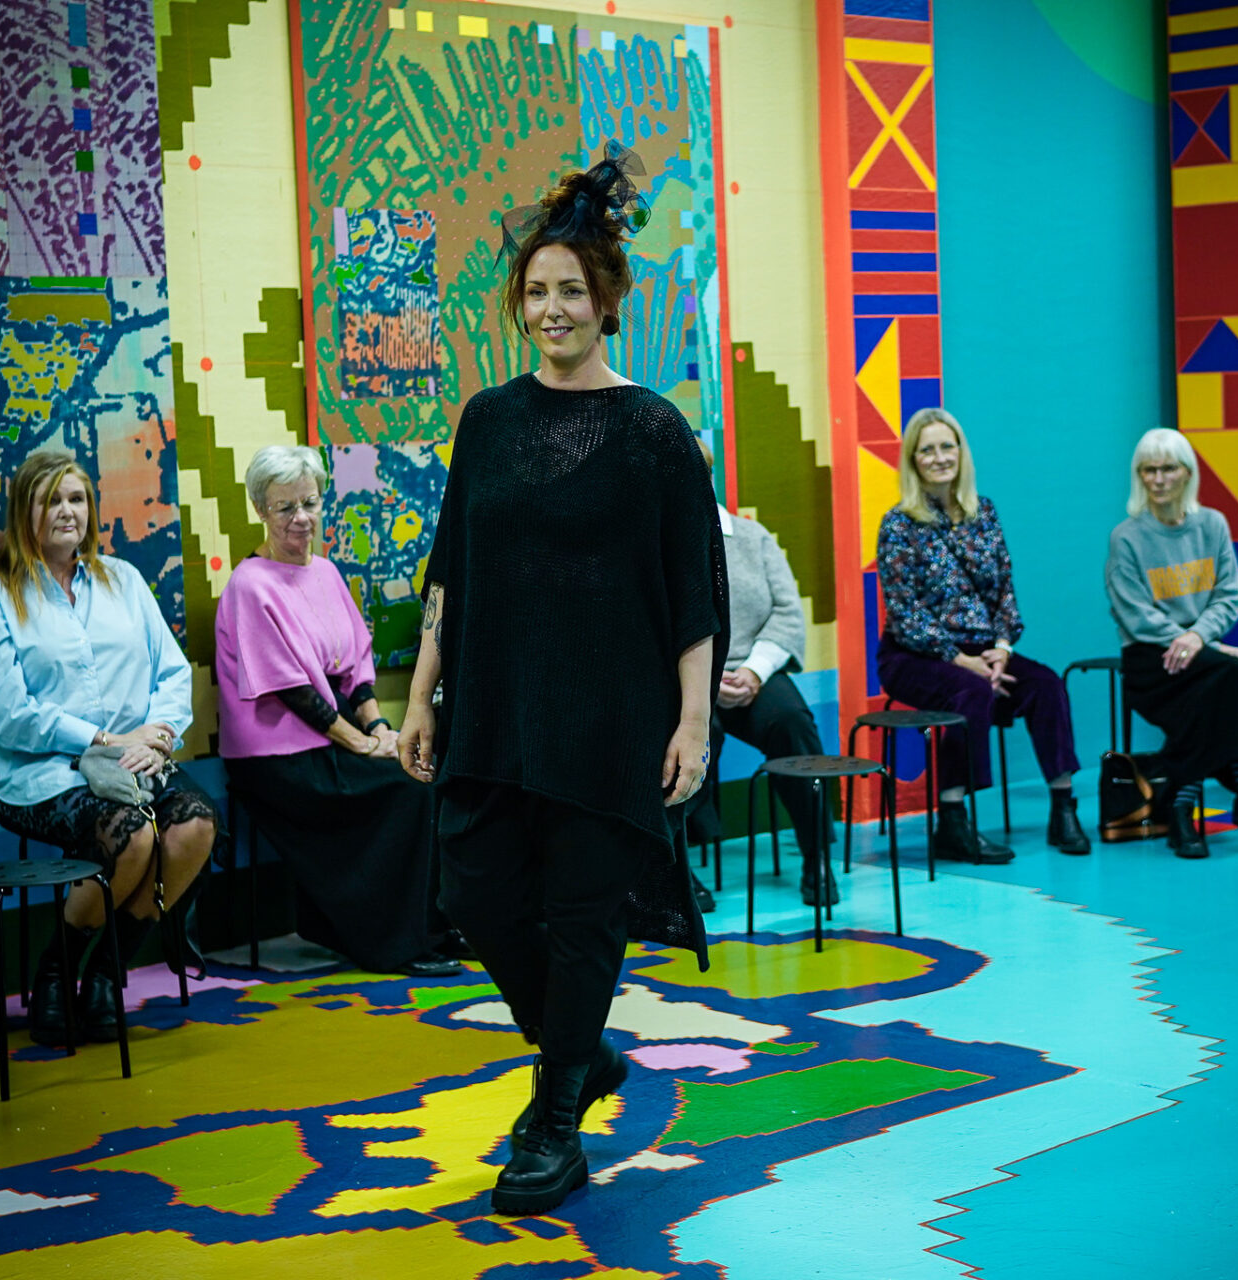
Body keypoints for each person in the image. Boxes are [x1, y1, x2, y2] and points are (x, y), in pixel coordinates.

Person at [397, 146, 727, 1218]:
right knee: (473, 888)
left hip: (610, 717)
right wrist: (418, 692)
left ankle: (553, 1119)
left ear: (606, 300)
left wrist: (692, 720)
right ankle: (579, 1048)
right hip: (493, 706)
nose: (551, 309)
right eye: (536, 292)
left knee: (585, 914)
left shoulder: (653, 432)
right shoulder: (487, 419)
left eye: (570, 291)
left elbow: (694, 594)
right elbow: (453, 563)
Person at [0, 450, 218, 1047]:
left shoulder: (121, 578)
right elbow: (4, 711)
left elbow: (173, 674)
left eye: (76, 499)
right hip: (41, 774)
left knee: (196, 827)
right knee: (134, 836)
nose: (66, 512)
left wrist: (160, 736)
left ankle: (106, 972)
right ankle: (56, 973)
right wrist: (102, 739)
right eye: (51, 500)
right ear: (25, 510)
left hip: (135, 764)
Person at [215, 445, 461, 977]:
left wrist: (380, 729)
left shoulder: (325, 572)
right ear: (261, 509)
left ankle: (437, 926)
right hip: (276, 757)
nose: (301, 518)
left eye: (309, 502)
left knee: (432, 772)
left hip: (328, 736)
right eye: (286, 508)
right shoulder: (249, 585)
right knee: (403, 789)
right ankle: (393, 943)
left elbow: (354, 669)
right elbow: (293, 692)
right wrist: (363, 744)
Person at [875, 407, 1089, 860]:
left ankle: (1062, 806)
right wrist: (962, 660)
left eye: (946, 447)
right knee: (970, 691)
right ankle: (952, 819)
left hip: (985, 651)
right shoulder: (898, 524)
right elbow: (905, 612)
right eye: (927, 449)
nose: (939, 457)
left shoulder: (984, 512)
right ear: (913, 459)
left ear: (961, 453)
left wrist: (1002, 649)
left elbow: (1005, 591)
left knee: (1046, 685)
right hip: (915, 656)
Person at [1105, 429, 1238, 859]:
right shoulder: (1127, 537)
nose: (1158, 479)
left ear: (1187, 473)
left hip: (1199, 655)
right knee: (1230, 672)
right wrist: (1187, 640)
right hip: (1150, 658)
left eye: (1168, 469)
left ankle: (1181, 808)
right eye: (1148, 470)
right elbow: (1133, 611)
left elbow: (1229, 597)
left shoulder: (1212, 525)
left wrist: (1198, 638)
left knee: (1218, 681)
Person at [689, 441, 837, 906]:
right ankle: (682, 866)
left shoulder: (755, 538)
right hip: (690, 681)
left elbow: (789, 615)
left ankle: (816, 855)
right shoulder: (653, 546)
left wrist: (753, 672)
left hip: (756, 670)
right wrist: (709, 685)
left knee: (792, 721)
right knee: (692, 732)